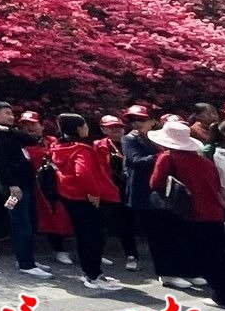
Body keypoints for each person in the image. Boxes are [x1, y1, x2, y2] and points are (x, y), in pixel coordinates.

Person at [148, 119, 225, 309]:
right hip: (214, 212)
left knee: (209, 258)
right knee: (216, 255)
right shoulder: (204, 161)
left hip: (190, 214)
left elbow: (155, 183)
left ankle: (224, 295)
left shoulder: (167, 157)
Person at [122, 104, 196, 288]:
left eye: (141, 119)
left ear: (153, 121)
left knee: (176, 232)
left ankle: (185, 270)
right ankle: (166, 273)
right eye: (133, 120)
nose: (137, 123)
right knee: (158, 236)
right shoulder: (130, 139)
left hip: (168, 193)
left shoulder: (158, 138)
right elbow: (136, 161)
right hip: (145, 194)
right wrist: (164, 156)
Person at [49, 113, 121, 290]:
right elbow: (83, 173)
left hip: (69, 196)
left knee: (84, 236)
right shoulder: (81, 149)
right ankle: (93, 275)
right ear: (79, 128)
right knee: (93, 237)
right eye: (85, 125)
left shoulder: (58, 147)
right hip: (85, 198)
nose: (87, 128)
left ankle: (91, 272)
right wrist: (94, 192)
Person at [0, 101, 52, 278]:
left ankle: (28, 258)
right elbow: (1, 165)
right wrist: (13, 186)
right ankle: (26, 264)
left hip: (26, 183)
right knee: (21, 224)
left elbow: (30, 140)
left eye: (11, 113)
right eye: (6, 113)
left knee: (29, 221)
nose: (11, 116)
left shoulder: (7, 133)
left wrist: (11, 129)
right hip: (15, 187)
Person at [18, 112, 74, 266]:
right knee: (47, 217)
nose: (29, 127)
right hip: (37, 187)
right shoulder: (21, 144)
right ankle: (59, 250)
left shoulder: (53, 141)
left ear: (41, 125)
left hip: (59, 184)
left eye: (33, 124)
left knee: (66, 215)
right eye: (25, 125)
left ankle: (87, 249)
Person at [94, 115, 139, 271]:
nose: (116, 130)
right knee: (102, 223)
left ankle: (132, 255)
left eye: (119, 127)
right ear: (103, 129)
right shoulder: (97, 145)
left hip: (128, 188)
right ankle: (97, 254)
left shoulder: (131, 142)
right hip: (107, 189)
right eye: (111, 128)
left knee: (127, 224)